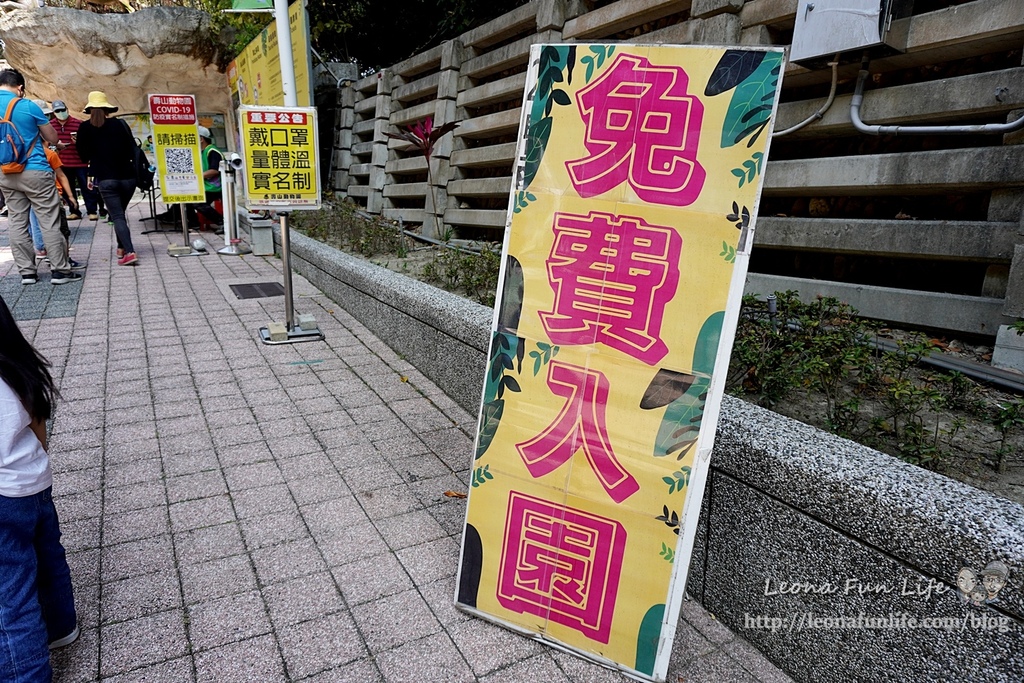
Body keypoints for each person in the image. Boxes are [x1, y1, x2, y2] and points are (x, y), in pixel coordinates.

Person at [0, 294, 79, 682]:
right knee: (47, 555)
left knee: (8, 600)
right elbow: (38, 426)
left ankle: (24, 674)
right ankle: (62, 626)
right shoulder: (14, 367)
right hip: (32, 484)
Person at [0, 69, 81, 285]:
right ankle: (60, 272)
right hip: (35, 169)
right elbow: (52, 137)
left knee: (17, 221)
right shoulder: (27, 105)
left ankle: (27, 273)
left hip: (5, 172)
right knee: (49, 220)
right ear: (20, 88)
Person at [74, 91, 138, 266]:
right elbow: (131, 148)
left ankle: (130, 252)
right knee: (120, 214)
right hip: (128, 178)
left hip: (106, 180)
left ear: (89, 110)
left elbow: (83, 157)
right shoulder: (120, 124)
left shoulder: (84, 128)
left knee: (117, 216)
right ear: (107, 109)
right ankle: (121, 247)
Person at [49, 98, 101, 221]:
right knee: (68, 189)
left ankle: (92, 210)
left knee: (87, 187)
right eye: (57, 111)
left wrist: (79, 142)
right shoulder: (50, 125)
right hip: (62, 162)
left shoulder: (78, 123)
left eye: (62, 110)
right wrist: (56, 144)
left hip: (79, 162)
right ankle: (74, 211)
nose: (61, 113)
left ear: (67, 109)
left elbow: (89, 142)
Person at [197, 125, 223, 228]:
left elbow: (214, 171)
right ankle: (193, 222)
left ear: (201, 139)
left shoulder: (212, 151)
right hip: (207, 185)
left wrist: (195, 177)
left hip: (216, 187)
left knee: (197, 202)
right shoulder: (203, 152)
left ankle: (222, 223)